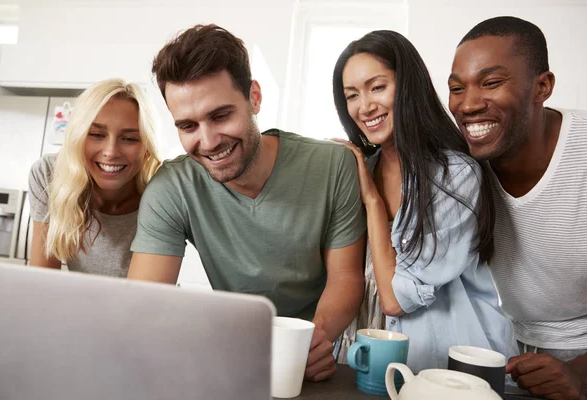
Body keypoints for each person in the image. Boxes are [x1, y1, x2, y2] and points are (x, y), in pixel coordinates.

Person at [127, 24, 367, 382]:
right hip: (232, 353)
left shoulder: (333, 165)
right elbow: (144, 304)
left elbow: (346, 279)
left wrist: (302, 345)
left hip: (315, 350)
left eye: (220, 116)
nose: (208, 141)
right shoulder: (171, 188)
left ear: (254, 97)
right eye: (188, 126)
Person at [331, 30, 517, 372]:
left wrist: (372, 201)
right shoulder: (358, 173)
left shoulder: (455, 176)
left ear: (408, 87)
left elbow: (395, 299)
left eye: (377, 87)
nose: (365, 106)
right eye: (352, 95)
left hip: (449, 368)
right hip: (365, 360)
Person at [448, 16, 587, 400]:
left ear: (542, 86)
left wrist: (580, 375)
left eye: (491, 82)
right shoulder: (459, 167)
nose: (469, 104)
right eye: (457, 88)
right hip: (509, 356)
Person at [28, 78, 162, 277]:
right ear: (77, 137)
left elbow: (144, 297)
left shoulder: (164, 191)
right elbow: (41, 280)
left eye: (130, 139)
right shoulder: (48, 174)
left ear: (147, 149)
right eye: (96, 134)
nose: (110, 152)